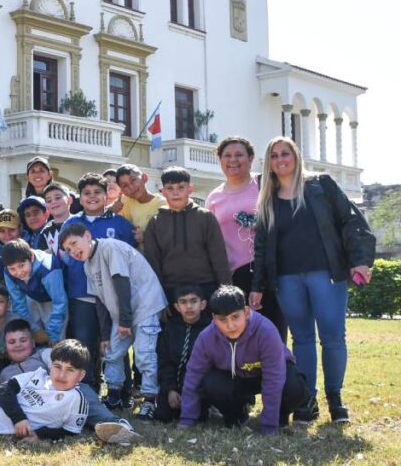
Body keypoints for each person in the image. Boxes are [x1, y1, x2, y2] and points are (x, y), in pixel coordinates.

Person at [250, 137, 376, 424]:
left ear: (296, 156)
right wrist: (257, 286)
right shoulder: (266, 197)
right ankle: (307, 399)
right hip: (286, 278)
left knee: (332, 337)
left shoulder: (321, 185)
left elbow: (351, 220)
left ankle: (336, 399)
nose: (280, 159)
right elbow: (261, 246)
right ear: (268, 162)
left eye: (285, 153)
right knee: (302, 339)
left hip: (326, 274)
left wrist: (360, 259)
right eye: (274, 155)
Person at [0, 340, 142, 446]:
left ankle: (122, 429)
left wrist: (38, 436)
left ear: (81, 375)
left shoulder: (77, 400)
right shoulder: (38, 374)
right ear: (50, 365)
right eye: (57, 367)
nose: (61, 374)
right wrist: (19, 418)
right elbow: (4, 389)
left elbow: (67, 432)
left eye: (70, 370)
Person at [60, 223, 166, 419]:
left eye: (74, 243)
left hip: (144, 306)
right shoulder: (87, 265)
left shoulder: (109, 248)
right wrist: (104, 335)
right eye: (68, 249)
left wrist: (125, 321)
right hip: (122, 314)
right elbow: (99, 301)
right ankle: (114, 395)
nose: (73, 250)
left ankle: (151, 399)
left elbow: (121, 283)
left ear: (87, 235)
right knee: (111, 353)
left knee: (144, 354)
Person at [178, 285, 308, 434]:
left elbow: (274, 378)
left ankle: (280, 416)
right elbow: (193, 376)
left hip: (267, 375)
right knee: (210, 383)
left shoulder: (266, 331)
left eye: (235, 317)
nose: (230, 325)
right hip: (235, 379)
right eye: (222, 320)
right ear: (214, 319)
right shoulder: (206, 338)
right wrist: (187, 419)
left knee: (294, 386)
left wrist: (268, 426)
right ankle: (237, 415)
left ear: (246, 312)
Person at [60, 172, 136, 392]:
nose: (92, 197)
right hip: (81, 292)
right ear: (80, 198)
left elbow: (129, 257)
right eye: (86, 193)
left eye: (97, 192)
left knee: (116, 343)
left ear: (107, 195)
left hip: (111, 295)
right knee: (84, 342)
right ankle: (87, 388)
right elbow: (64, 256)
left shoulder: (120, 224)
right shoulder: (71, 223)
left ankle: (122, 390)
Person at [205, 136, 286, 340]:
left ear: (250, 158)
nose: (233, 160)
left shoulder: (265, 184)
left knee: (271, 332)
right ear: (219, 159)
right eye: (227, 155)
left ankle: (276, 370)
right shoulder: (214, 197)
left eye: (239, 155)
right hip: (233, 276)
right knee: (239, 335)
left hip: (268, 271)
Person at [143, 166, 232, 305]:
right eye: (170, 188)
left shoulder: (206, 217)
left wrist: (226, 290)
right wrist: (157, 298)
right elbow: (152, 263)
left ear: (190, 189)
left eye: (181, 187)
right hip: (170, 290)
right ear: (163, 192)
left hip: (206, 287)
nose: (175, 193)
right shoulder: (155, 223)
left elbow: (219, 256)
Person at [155, 284, 211, 423]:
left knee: (200, 417)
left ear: (203, 304)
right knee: (163, 415)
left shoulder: (210, 330)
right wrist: (170, 389)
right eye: (183, 302)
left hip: (198, 387)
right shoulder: (170, 329)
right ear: (177, 307)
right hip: (173, 385)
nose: (189, 306)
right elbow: (165, 362)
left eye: (193, 301)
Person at [1, 239, 67, 346]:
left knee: (56, 342)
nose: (18, 272)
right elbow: (18, 304)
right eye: (12, 268)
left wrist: (52, 333)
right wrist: (33, 329)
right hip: (31, 296)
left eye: (21, 265)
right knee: (30, 337)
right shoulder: (8, 273)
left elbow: (60, 302)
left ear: (31, 257)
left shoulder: (47, 267)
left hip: (54, 300)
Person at [115, 164, 165, 248]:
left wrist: (146, 237)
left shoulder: (162, 205)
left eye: (133, 180)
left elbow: (169, 238)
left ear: (144, 178)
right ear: (122, 191)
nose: (131, 187)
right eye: (125, 185)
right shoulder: (125, 201)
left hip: (154, 259)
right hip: (132, 259)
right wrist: (112, 210)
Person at [0, 319, 49, 384]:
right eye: (12, 342)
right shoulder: (5, 373)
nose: (18, 345)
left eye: (23, 340)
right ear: (6, 347)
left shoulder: (43, 357)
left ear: (33, 343)